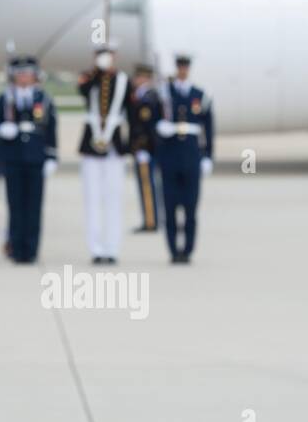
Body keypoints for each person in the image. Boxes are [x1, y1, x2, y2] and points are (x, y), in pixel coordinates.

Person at [0, 58, 57, 262]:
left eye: (27, 72)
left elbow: (51, 128)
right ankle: (16, 248)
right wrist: (2, 129)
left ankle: (31, 249)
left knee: (34, 206)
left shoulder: (43, 98)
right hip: (14, 158)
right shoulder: (6, 98)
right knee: (15, 205)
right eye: (20, 73)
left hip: (36, 157)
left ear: (35, 75)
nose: (23, 76)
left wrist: (52, 156)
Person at [155, 54, 215, 264]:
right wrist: (159, 127)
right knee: (170, 208)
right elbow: (154, 121)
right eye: (179, 67)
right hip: (170, 157)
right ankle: (173, 250)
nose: (182, 70)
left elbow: (208, 128)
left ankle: (188, 250)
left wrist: (208, 156)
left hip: (191, 157)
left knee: (190, 207)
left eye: (185, 67)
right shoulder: (165, 94)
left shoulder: (199, 95)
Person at [78, 45, 130, 265]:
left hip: (114, 144)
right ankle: (96, 248)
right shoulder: (90, 79)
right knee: (92, 198)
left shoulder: (123, 81)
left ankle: (112, 247)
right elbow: (84, 91)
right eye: (101, 57)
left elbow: (131, 111)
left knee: (113, 199)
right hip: (91, 144)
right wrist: (97, 73)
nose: (105, 60)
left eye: (108, 57)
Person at [127, 64, 162, 234]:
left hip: (145, 150)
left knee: (147, 186)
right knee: (145, 186)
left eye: (138, 77)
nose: (135, 80)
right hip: (143, 150)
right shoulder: (142, 96)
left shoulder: (148, 98)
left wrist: (143, 149)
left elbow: (145, 128)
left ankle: (150, 221)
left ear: (145, 78)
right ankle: (150, 219)